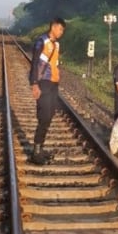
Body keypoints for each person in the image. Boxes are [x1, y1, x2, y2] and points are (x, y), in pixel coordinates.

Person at [28, 17, 66, 164]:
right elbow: (35, 62)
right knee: (44, 115)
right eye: (60, 29)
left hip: (53, 84)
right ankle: (36, 151)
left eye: (63, 30)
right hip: (43, 82)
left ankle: (40, 147)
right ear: (53, 27)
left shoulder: (57, 45)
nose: (61, 32)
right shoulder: (41, 41)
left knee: (49, 115)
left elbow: (55, 63)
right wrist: (34, 84)